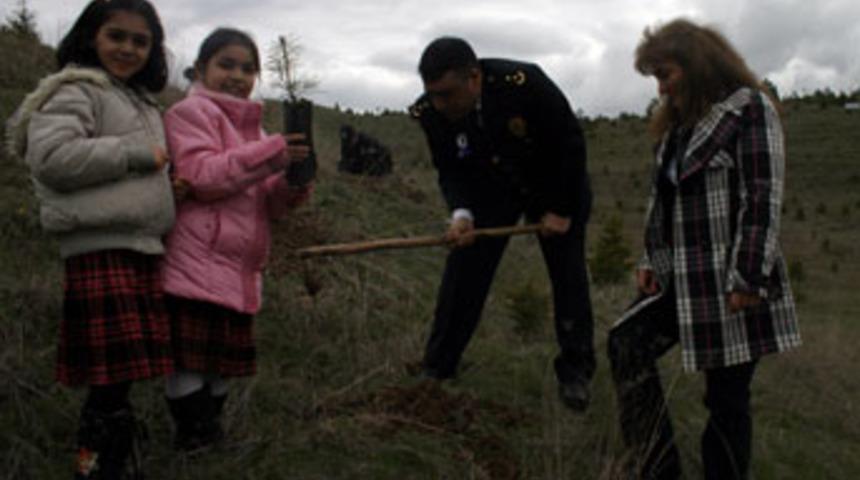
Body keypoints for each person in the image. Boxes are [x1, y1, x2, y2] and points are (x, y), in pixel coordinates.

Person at [607, 18, 801, 479]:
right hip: (681, 281)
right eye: (655, 77)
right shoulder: (677, 128)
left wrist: (748, 278)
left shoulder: (749, 110)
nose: (661, 88)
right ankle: (657, 469)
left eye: (666, 74)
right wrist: (651, 259)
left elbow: (762, 198)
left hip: (735, 281)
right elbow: (664, 203)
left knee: (727, 400)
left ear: (697, 65)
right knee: (625, 344)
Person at [7, 0, 176, 477]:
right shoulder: (75, 89)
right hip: (99, 244)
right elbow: (54, 157)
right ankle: (96, 458)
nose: (128, 48)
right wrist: (136, 154)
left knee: (120, 373)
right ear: (90, 38)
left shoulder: (137, 99)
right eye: (116, 36)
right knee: (109, 375)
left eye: (140, 41)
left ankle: (115, 446)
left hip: (136, 244)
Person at [409, 37, 594, 410]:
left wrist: (560, 209)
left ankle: (576, 372)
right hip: (491, 190)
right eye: (433, 95)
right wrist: (462, 213)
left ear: (474, 78)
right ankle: (439, 366)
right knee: (464, 267)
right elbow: (449, 168)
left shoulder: (525, 83)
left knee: (567, 274)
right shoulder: (430, 111)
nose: (440, 105)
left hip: (552, 183)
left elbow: (570, 145)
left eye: (448, 94)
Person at [159, 27, 313, 451]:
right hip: (193, 259)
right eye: (226, 64)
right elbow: (202, 177)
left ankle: (209, 438)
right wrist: (272, 155)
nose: (237, 76)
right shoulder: (188, 115)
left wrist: (294, 185)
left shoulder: (257, 132)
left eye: (248, 68)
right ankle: (194, 440)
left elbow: (270, 206)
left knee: (220, 367)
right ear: (202, 68)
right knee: (188, 362)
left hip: (238, 268)